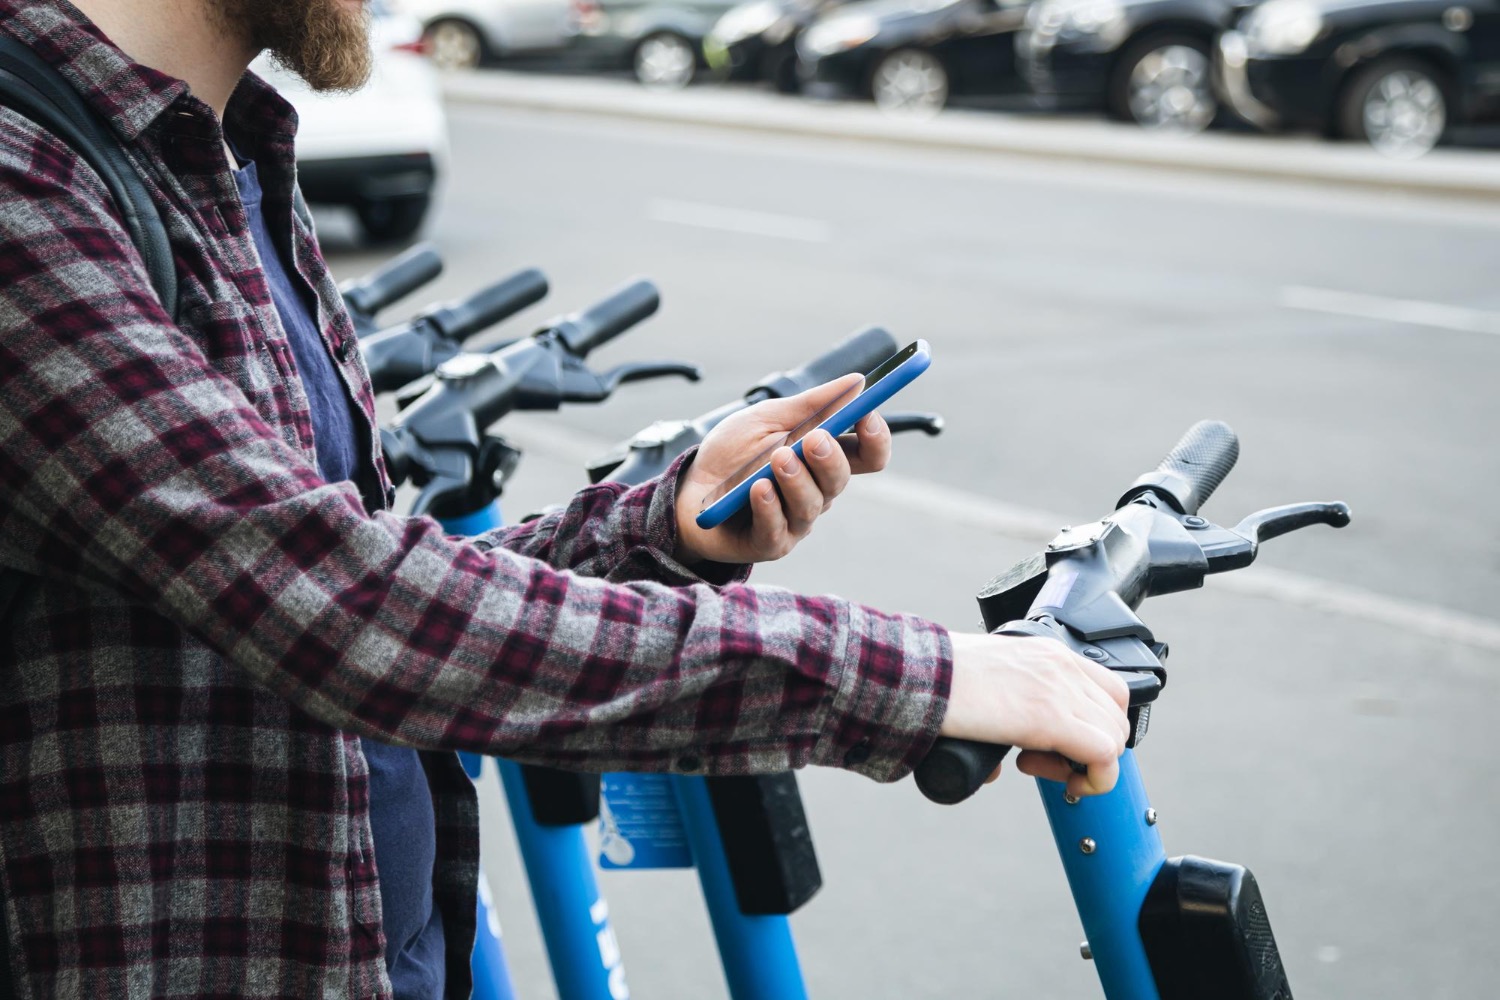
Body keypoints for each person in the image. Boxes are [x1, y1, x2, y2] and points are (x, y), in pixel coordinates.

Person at [0, 0, 1131, 996]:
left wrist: (661, 525)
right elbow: (347, 610)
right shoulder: (23, 185)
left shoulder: (223, 158)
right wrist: (923, 677)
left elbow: (373, 572)